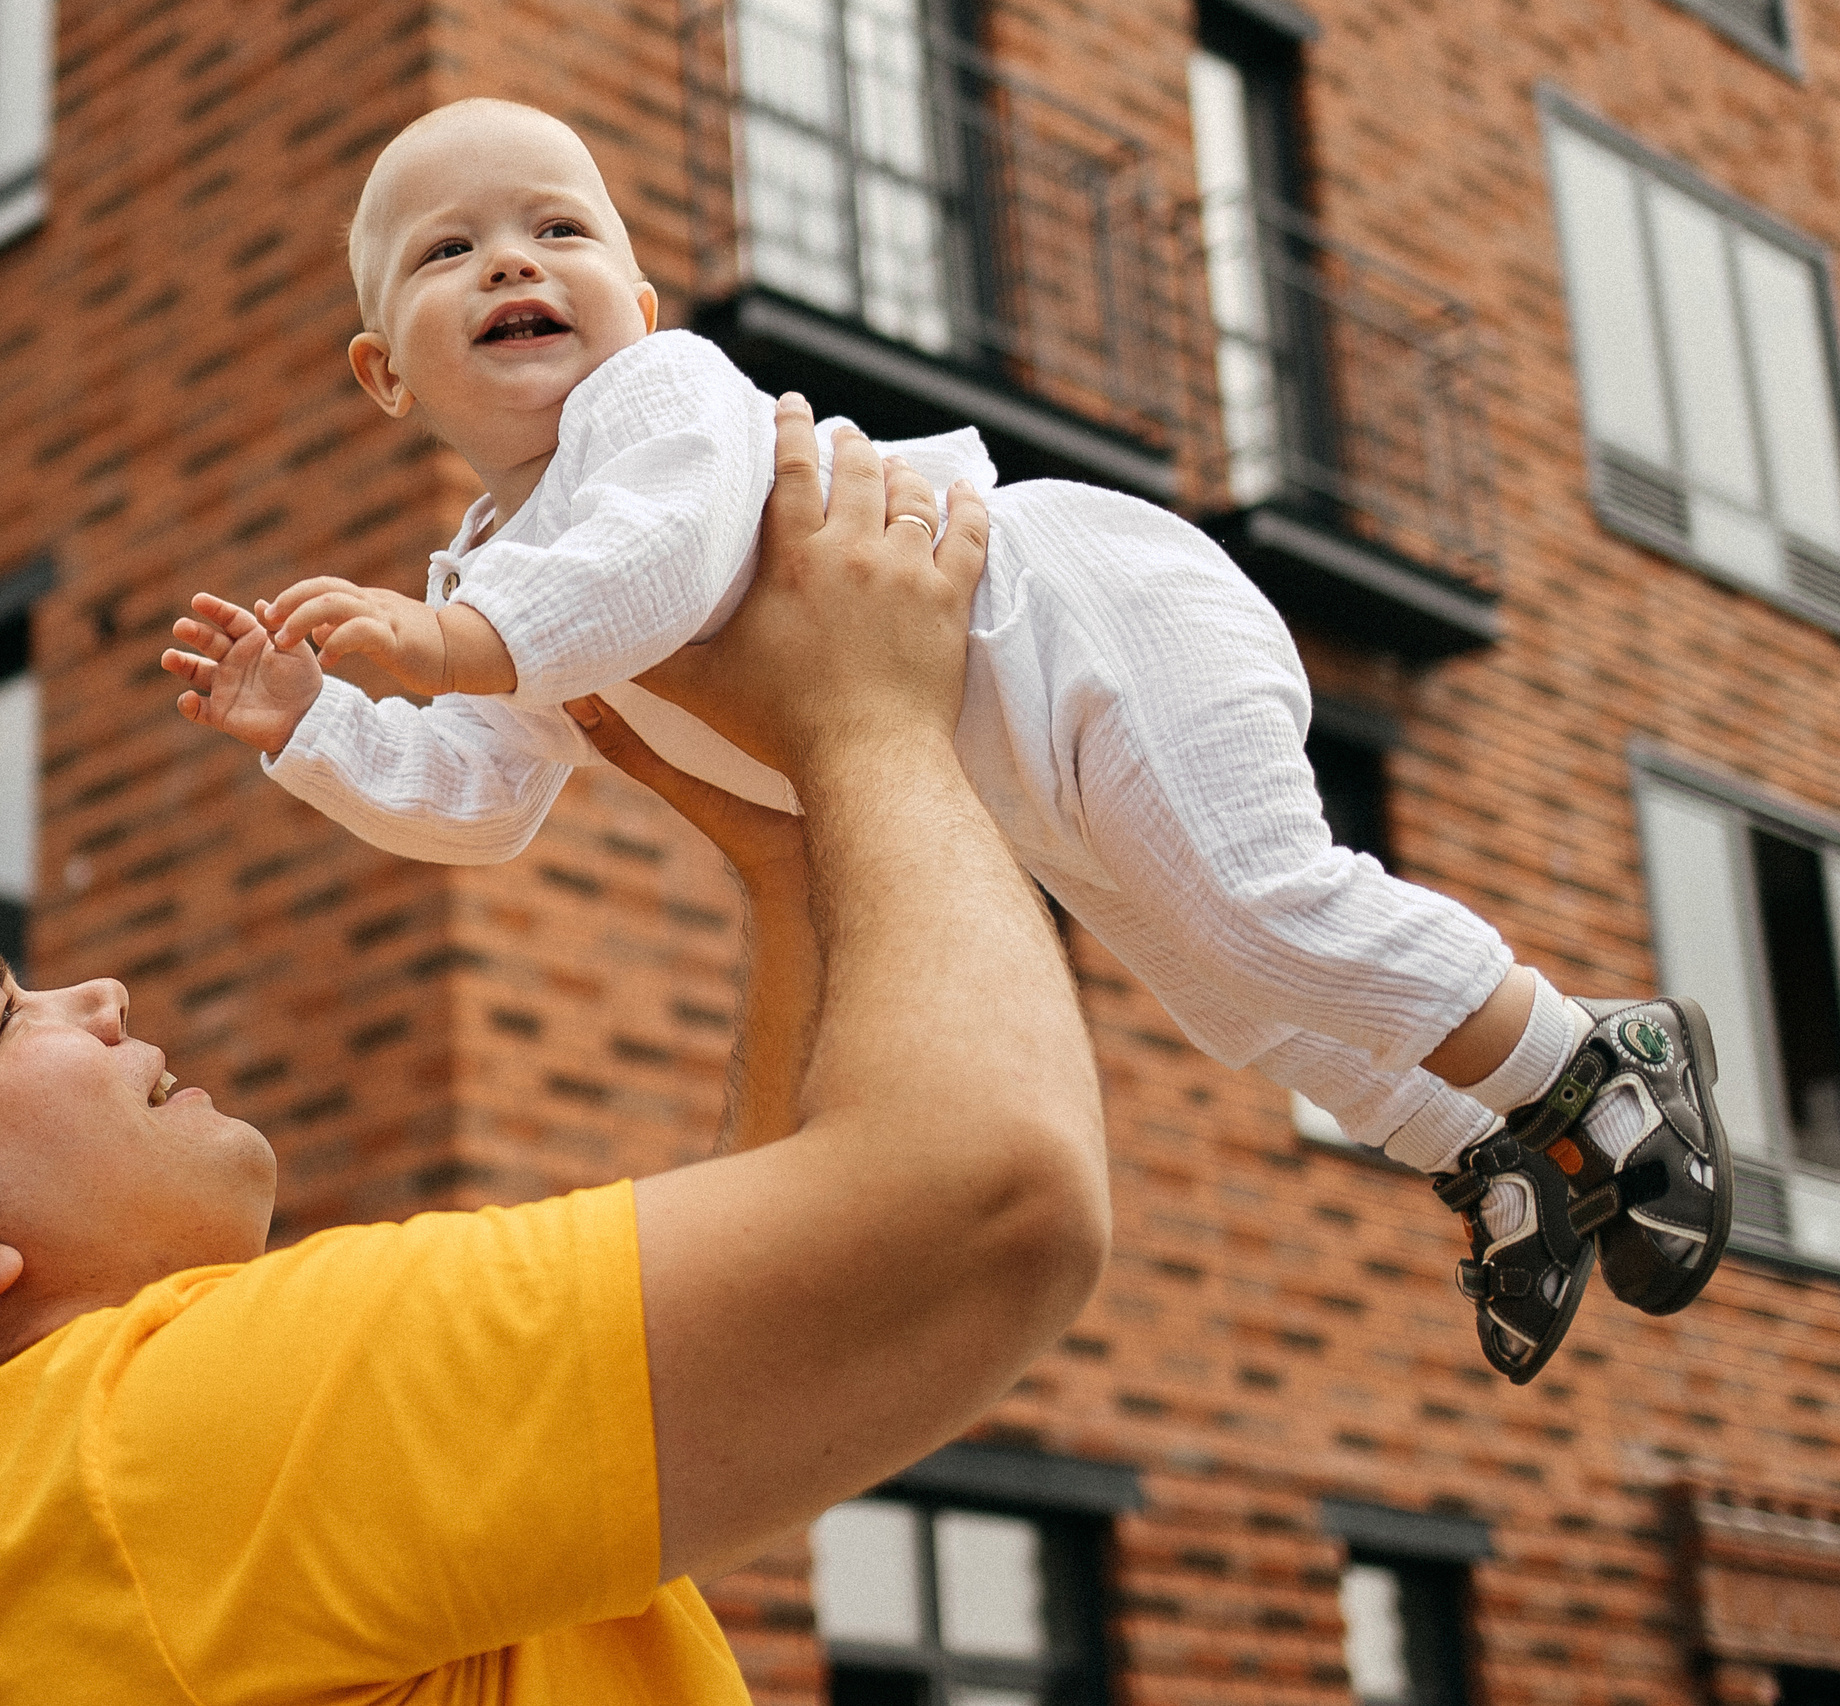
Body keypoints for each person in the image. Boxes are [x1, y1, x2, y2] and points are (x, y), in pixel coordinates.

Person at [157, 97, 1734, 1383]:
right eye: (452, 250)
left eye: (559, 227)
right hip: (981, 747)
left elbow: (664, 559)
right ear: (383, 373)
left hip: (1071, 612)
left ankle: (1598, 1060)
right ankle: (1492, 1147)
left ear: (634, 308)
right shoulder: (500, 579)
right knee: (1217, 979)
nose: (516, 260)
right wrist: (316, 726)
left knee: (1263, 905)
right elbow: (480, 802)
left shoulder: (660, 406)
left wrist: (450, 646)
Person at [0, 419, 1114, 1703]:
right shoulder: (142, 1451)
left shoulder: (86, 1538)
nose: (99, 993)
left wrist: (793, 872)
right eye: (4, 1010)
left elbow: (792, 1301)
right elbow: (990, 1203)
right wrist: (871, 719)